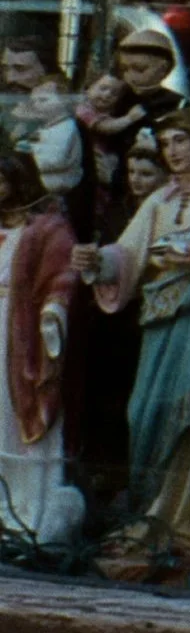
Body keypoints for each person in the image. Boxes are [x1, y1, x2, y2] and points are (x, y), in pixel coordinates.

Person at [79, 112, 190, 565]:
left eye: (182, 140)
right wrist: (96, 261)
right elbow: (128, 253)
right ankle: (155, 513)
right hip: (161, 314)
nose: (173, 150)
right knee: (145, 410)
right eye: (167, 142)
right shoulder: (160, 197)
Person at [0, 152, 81, 550]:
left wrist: (53, 315)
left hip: (20, 333)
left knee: (17, 418)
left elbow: (60, 278)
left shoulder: (46, 229)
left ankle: (27, 508)